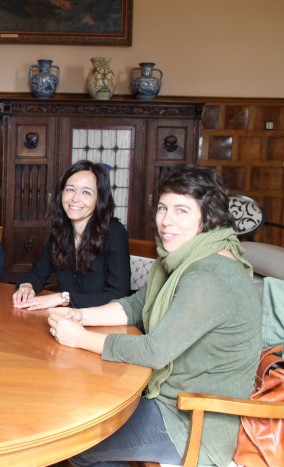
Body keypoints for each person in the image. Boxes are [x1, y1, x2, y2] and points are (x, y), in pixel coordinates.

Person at [48, 164, 262, 466]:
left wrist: (81, 339)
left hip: (190, 420)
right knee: (85, 415)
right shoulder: (181, 257)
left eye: (181, 211)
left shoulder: (210, 274)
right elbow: (136, 305)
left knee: (80, 442)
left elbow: (155, 351)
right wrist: (80, 316)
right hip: (165, 396)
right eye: (162, 208)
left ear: (209, 217)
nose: (166, 221)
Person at [12, 160, 130, 310]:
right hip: (67, 320)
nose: (75, 198)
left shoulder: (115, 232)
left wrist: (62, 298)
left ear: (99, 199)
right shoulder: (62, 230)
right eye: (70, 189)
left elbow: (118, 295)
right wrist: (26, 286)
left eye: (86, 192)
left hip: (102, 323)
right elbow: (38, 272)